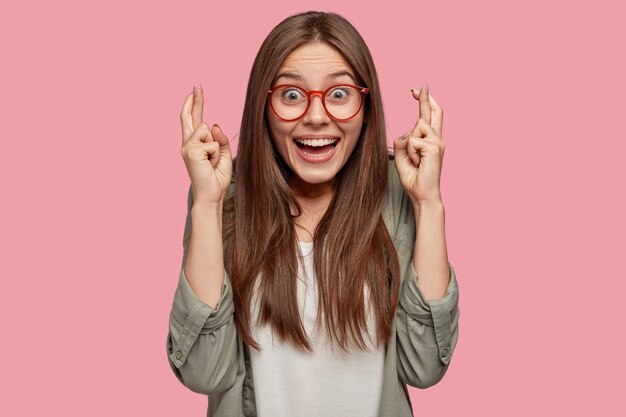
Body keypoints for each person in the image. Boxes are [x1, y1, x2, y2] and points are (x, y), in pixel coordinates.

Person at [166, 10, 459, 417]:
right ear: (262, 108)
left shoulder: (397, 191)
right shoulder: (223, 195)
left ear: (367, 105)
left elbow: (423, 366)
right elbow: (203, 372)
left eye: (339, 94)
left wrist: (429, 203)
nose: (317, 115)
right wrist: (207, 203)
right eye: (291, 95)